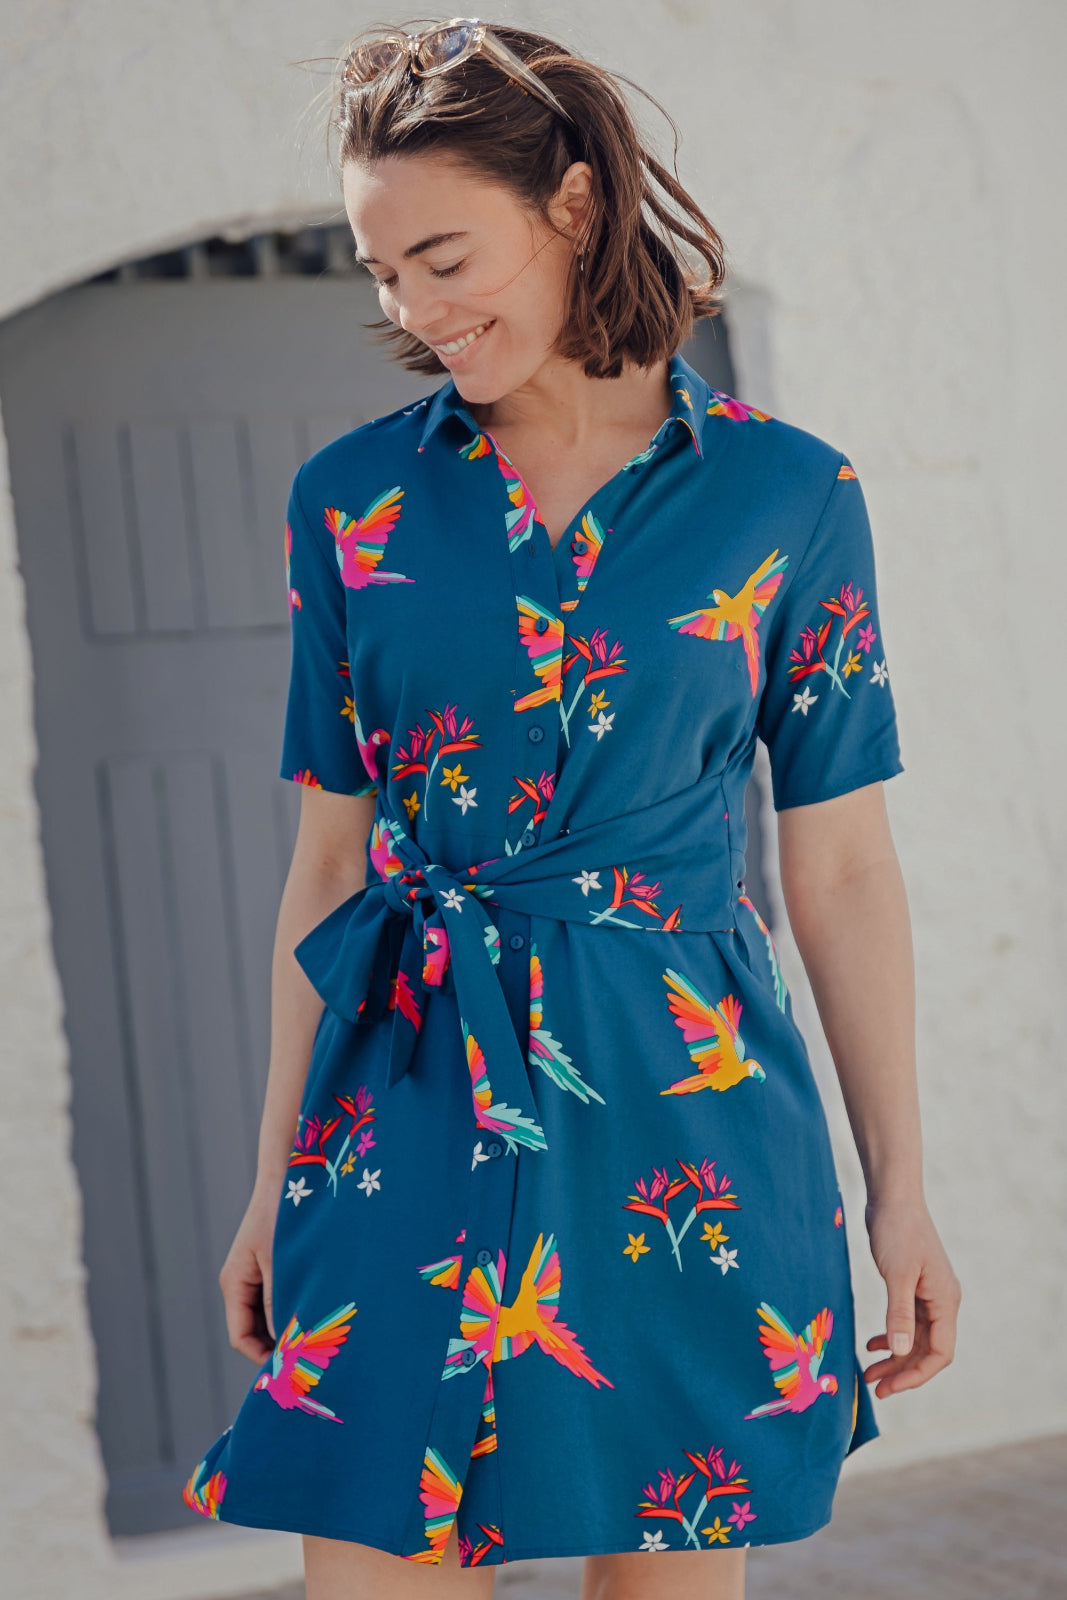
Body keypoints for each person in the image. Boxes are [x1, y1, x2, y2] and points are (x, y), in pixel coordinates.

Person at [182, 19, 962, 1599]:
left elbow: (845, 871)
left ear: (577, 210)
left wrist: (902, 1194)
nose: (414, 308)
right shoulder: (353, 500)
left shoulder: (792, 496)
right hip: (399, 1108)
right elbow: (328, 861)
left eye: (444, 254)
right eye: (382, 270)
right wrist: (272, 1184)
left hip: (689, 1117)